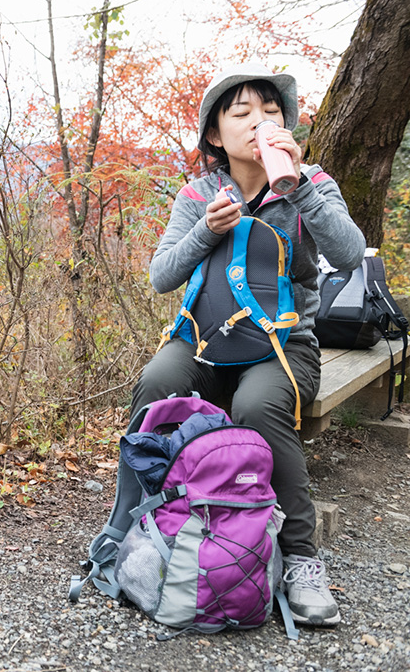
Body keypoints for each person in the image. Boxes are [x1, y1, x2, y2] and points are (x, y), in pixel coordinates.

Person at [132, 63, 366, 626]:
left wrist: (300, 187)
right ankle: (145, 523)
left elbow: (351, 254)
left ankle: (302, 558)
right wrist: (205, 230)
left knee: (255, 406)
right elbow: (161, 275)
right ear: (216, 134)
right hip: (205, 344)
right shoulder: (199, 194)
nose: (259, 123)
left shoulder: (315, 184)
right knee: (158, 382)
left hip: (284, 347)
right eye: (242, 114)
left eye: (270, 112)